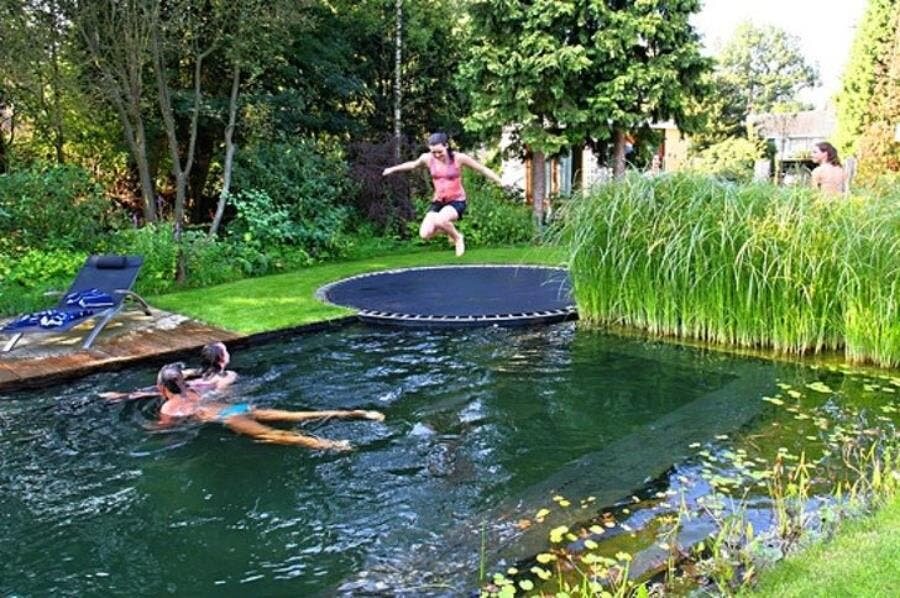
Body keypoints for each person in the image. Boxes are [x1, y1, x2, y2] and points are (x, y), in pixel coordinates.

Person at [155, 363, 385, 450]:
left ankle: (333, 445)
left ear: (163, 389)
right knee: (298, 415)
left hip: (229, 418)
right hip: (239, 408)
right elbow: (186, 375)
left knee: (275, 435)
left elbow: (167, 428)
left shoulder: (168, 408)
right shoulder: (196, 390)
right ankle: (358, 413)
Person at [382, 132, 503, 257]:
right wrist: (392, 169)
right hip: (439, 201)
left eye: (440, 151)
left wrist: (499, 180)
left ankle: (457, 238)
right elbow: (413, 164)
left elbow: (481, 168)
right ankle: (449, 231)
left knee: (440, 220)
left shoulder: (458, 158)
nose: (437, 155)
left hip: (457, 201)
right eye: (433, 152)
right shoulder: (427, 158)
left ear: (446, 146)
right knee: (425, 234)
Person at [99, 341, 238, 401]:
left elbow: (167, 375)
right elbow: (219, 394)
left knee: (140, 393)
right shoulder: (228, 376)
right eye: (226, 351)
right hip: (194, 393)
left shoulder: (194, 372)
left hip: (180, 387)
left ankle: (113, 395)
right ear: (222, 358)